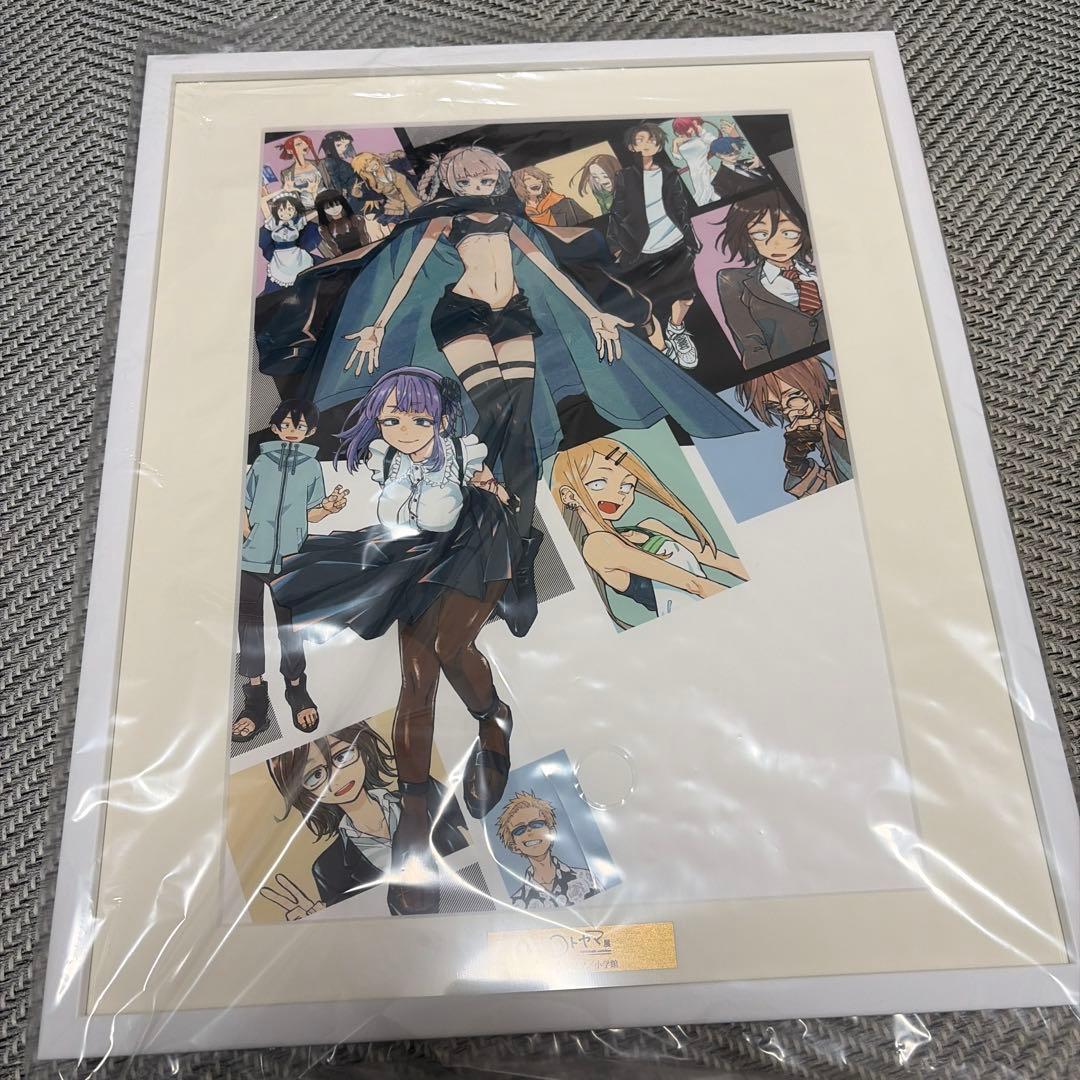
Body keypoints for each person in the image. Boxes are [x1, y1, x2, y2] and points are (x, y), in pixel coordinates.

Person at [255, 144, 754, 626]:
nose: (478, 184)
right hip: (462, 315)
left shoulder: (512, 222)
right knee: (497, 419)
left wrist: (594, 314)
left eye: (485, 178)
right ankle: (508, 551)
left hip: (513, 315)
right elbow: (407, 273)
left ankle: (513, 547)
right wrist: (379, 325)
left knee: (520, 428)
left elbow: (548, 270)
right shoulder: (444, 221)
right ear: (453, 181)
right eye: (468, 179)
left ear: (496, 179)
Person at [272, 369, 523, 917]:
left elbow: (484, 488)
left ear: (440, 419)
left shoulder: (460, 450)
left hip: (478, 543)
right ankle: (412, 823)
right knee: (416, 679)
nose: (404, 430)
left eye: (418, 419)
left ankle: (493, 718)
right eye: (391, 420)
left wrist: (497, 495)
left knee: (451, 648)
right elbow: (397, 516)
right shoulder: (388, 461)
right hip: (419, 554)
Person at [263, 721, 469, 914]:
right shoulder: (328, 868)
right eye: (315, 775)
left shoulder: (424, 792)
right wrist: (325, 922)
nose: (336, 777)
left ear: (364, 750)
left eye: (342, 756)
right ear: (305, 794)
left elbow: (474, 824)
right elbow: (363, 926)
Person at [233, 399, 349, 743]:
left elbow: (311, 514)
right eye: (285, 425)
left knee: (291, 629)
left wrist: (328, 508)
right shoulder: (260, 463)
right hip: (251, 559)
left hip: (290, 559)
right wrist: (249, 535)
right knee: (249, 629)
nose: (291, 431)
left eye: (298, 426)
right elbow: (243, 503)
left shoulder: (312, 467)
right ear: (275, 427)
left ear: (310, 431)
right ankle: (255, 699)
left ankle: (296, 687)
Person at [552, 437, 746, 628]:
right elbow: (693, 584)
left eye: (627, 485)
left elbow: (725, 561)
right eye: (598, 483)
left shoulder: (651, 526)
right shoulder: (598, 546)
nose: (620, 493)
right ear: (569, 496)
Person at [606, 122, 702, 369]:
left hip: (675, 245)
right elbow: (617, 212)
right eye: (640, 140)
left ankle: (676, 330)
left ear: (659, 146)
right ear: (631, 146)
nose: (646, 144)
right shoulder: (625, 177)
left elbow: (680, 208)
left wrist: (690, 240)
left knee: (687, 297)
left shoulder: (669, 174)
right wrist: (615, 247)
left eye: (652, 140)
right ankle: (661, 351)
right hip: (642, 250)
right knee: (645, 308)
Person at [716, 189, 827, 368]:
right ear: (747, 237)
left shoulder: (822, 272)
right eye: (761, 234)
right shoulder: (734, 281)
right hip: (789, 374)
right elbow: (751, 343)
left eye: (788, 233)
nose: (775, 244)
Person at [735, 357, 851, 498]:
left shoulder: (849, 394)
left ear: (813, 378)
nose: (789, 413)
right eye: (776, 406)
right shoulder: (819, 423)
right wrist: (797, 466)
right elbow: (842, 486)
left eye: (794, 396)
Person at [496, 791, 600, 910]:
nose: (530, 831)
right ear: (514, 847)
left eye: (536, 824)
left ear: (551, 831)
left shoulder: (586, 878)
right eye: (520, 830)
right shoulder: (517, 904)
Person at [257, 192, 322, 294]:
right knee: (276, 285)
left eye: (290, 209)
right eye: (281, 210)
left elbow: (314, 213)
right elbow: (262, 201)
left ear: (295, 210)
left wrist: (321, 206)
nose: (286, 213)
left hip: (296, 255)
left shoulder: (296, 223)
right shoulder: (273, 223)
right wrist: (283, 190)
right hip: (279, 258)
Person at [350, 151, 421, 222]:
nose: (371, 166)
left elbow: (408, 165)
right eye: (366, 166)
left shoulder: (395, 164)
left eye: (370, 161)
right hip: (397, 210)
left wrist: (397, 154)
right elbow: (374, 195)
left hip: (417, 201)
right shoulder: (374, 183)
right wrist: (358, 193)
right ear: (364, 171)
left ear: (375, 158)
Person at [510, 166, 591, 226]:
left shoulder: (566, 203)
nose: (536, 182)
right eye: (528, 179)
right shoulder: (518, 215)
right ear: (518, 185)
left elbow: (590, 225)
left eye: (538, 178)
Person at [670, 116, 721, 206]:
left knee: (714, 195)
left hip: (707, 171)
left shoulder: (703, 137)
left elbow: (718, 144)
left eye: (685, 129)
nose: (682, 134)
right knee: (702, 196)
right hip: (695, 174)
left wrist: (701, 132)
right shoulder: (680, 140)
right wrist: (675, 143)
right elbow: (677, 157)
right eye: (679, 132)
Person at [277, 134, 330, 214]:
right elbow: (289, 197)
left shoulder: (320, 164)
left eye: (305, 142)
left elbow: (330, 183)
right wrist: (287, 191)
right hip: (308, 211)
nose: (305, 145)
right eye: (298, 144)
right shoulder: (286, 173)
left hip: (329, 204)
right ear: (289, 151)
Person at [708, 135, 769, 201]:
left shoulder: (748, 161)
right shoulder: (718, 182)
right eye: (729, 154)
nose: (735, 156)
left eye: (737, 152)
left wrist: (763, 164)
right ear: (718, 155)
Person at [313, 189, 370, 258]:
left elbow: (364, 237)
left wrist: (366, 253)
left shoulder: (358, 219)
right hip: (345, 258)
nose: (334, 209)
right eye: (328, 208)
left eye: (337, 204)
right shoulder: (324, 229)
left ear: (343, 203)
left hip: (364, 253)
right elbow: (333, 247)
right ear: (322, 210)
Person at [318, 130, 361, 208]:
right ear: (329, 146)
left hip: (353, 195)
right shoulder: (329, 162)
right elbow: (334, 182)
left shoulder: (342, 162)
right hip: (344, 200)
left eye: (346, 145)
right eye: (338, 145)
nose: (343, 149)